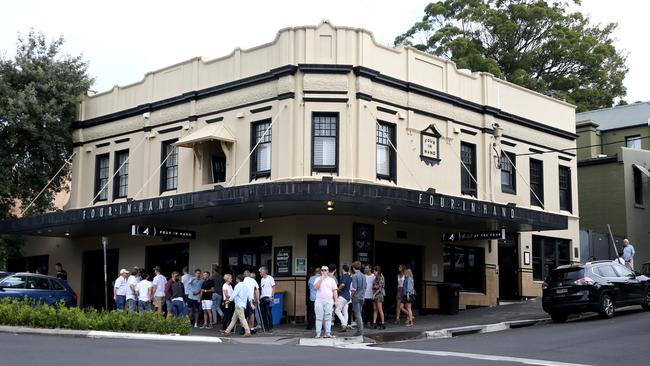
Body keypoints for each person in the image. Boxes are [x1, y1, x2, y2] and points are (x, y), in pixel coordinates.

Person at [313, 265, 338, 338]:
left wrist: (336, 300)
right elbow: (316, 287)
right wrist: (321, 279)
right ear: (320, 271)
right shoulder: (317, 279)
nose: (323, 271)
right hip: (319, 300)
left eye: (325, 270)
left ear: (328, 271)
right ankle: (318, 333)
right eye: (322, 270)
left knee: (328, 318)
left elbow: (335, 291)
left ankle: (328, 333)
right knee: (319, 317)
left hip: (329, 301)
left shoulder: (331, 280)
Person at [349, 261, 367, 336]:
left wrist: (351, 296)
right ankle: (360, 329)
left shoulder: (355, 276)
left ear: (353, 268)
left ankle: (360, 330)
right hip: (362, 296)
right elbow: (365, 287)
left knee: (357, 314)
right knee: (360, 313)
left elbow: (354, 288)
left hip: (356, 296)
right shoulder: (363, 276)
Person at [334, 264, 352, 332]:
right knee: (345, 311)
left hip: (343, 295)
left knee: (337, 310)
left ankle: (344, 324)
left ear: (343, 269)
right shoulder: (349, 277)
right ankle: (344, 325)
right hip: (348, 296)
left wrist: (338, 289)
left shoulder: (344, 276)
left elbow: (343, 284)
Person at [259, 266, 275, 330]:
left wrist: (272, 296)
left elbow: (273, 287)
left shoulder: (270, 278)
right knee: (263, 313)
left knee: (268, 312)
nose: (260, 273)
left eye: (260, 272)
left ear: (264, 272)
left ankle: (270, 326)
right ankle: (265, 326)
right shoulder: (262, 279)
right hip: (262, 297)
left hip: (268, 297)